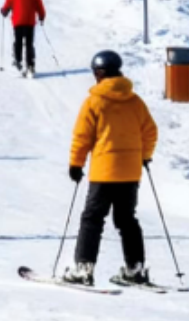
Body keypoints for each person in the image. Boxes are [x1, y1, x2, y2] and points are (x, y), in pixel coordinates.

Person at [63, 49, 157, 287]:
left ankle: (84, 268)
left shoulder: (94, 101)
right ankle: (135, 269)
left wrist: (76, 164)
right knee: (127, 220)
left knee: (92, 218)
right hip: (130, 173)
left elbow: (82, 136)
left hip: (104, 173)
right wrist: (144, 156)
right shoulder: (135, 102)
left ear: (100, 73)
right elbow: (150, 131)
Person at [1, 0, 46, 75]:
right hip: (29, 22)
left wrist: (4, 11)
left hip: (18, 22)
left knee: (18, 42)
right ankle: (30, 65)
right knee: (29, 44)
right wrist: (41, 16)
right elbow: (39, 5)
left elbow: (7, 5)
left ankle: (18, 61)